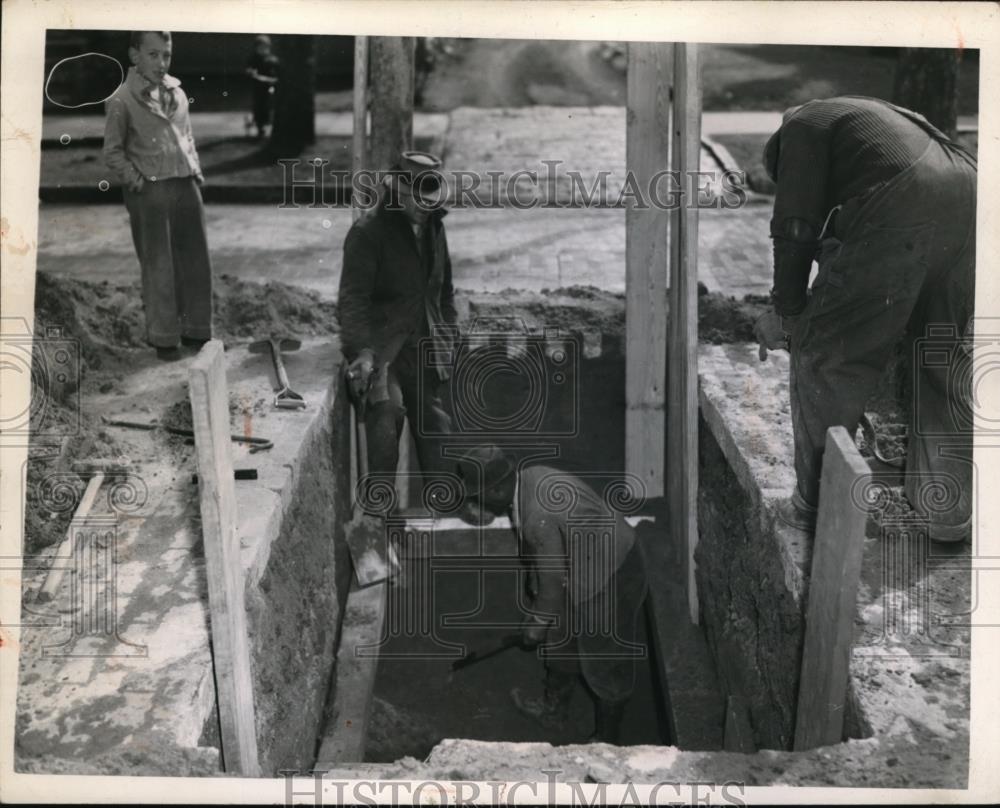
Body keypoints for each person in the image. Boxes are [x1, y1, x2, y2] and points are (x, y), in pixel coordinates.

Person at [754, 96, 976, 542]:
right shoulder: (863, 124)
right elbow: (846, 244)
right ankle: (947, 510)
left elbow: (796, 227)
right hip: (974, 195)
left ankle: (817, 508)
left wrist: (788, 311)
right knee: (940, 355)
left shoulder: (801, 125)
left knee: (826, 355)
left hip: (907, 196)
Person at [456, 446, 649, 744]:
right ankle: (554, 711)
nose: (476, 501)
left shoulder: (537, 516)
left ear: (495, 491)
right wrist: (542, 606)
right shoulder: (529, 478)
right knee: (560, 635)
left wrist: (535, 624)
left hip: (613, 573)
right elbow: (547, 558)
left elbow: (551, 578)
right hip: (582, 562)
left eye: (477, 495)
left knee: (604, 659)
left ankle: (608, 741)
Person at [339, 151, 457, 506]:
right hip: (382, 353)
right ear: (397, 190)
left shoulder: (434, 227)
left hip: (423, 349)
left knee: (437, 430)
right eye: (417, 199)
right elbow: (352, 301)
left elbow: (444, 291)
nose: (425, 207)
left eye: (429, 200)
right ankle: (382, 516)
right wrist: (360, 351)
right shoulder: (367, 233)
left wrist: (449, 336)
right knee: (386, 418)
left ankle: (443, 510)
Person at [103, 31, 213, 362]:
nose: (161, 63)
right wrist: (136, 181)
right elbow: (113, 151)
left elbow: (187, 135)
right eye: (153, 55)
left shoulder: (177, 93)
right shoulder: (122, 99)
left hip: (185, 184)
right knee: (159, 264)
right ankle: (165, 338)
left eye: (166, 55)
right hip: (149, 190)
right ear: (134, 55)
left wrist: (195, 170)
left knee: (196, 260)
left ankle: (197, 329)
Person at [245, 34, 279, 140]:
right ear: (256, 48)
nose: (263, 49)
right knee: (259, 106)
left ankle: (267, 123)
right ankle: (260, 126)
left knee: (270, 106)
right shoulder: (253, 59)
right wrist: (253, 73)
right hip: (259, 87)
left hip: (271, 85)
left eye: (265, 47)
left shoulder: (272, 59)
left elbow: (276, 72)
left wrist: (273, 78)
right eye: (260, 47)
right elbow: (250, 71)